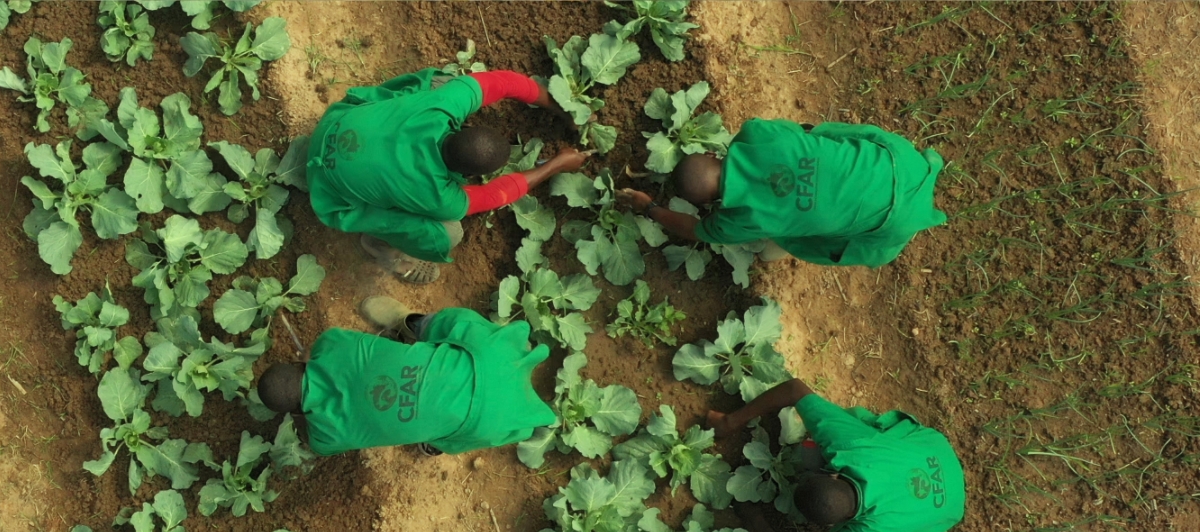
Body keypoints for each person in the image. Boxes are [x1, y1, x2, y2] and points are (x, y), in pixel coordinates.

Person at [306, 67, 589, 284]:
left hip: (335, 126)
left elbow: (504, 82)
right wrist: (555, 165)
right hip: (328, 190)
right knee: (448, 233)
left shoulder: (443, 107)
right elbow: (495, 195)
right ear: (467, 174)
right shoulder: (440, 196)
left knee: (443, 81)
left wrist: (560, 109)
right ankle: (381, 243)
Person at [707, 378, 965, 532]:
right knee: (813, 448)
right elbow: (794, 388)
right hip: (932, 449)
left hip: (946, 507)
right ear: (835, 474)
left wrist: (756, 520)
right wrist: (729, 422)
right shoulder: (850, 446)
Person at [618, 118, 947, 268]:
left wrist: (649, 209)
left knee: (799, 244)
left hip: (893, 223)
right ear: (715, 155)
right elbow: (802, 130)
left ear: (710, 204)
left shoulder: (736, 221)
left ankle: (789, 242)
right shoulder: (754, 133)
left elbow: (694, 230)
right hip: (901, 162)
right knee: (821, 136)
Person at [256, 297, 555, 456]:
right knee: (453, 323)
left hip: (492, 420)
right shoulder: (330, 344)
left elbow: (310, 439)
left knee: (449, 439)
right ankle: (417, 325)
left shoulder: (324, 435)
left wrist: (299, 416)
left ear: (295, 410)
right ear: (297, 363)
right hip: (491, 357)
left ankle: (433, 441)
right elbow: (319, 348)